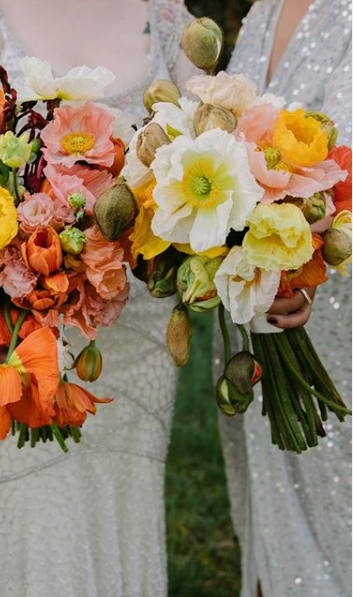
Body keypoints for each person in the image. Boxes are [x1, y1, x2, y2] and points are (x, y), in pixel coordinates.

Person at [0, 0, 199, 595]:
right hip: (20, 338)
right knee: (34, 515)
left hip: (135, 335)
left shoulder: (168, 19)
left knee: (124, 507)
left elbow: (210, 164)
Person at [217, 1, 352, 595]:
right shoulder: (264, 10)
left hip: (337, 314)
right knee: (276, 519)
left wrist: (312, 263)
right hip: (263, 309)